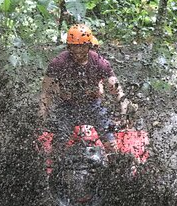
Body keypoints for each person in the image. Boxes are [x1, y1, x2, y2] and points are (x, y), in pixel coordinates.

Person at [39, 24, 132, 154]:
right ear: (68, 47)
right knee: (58, 145)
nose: (78, 51)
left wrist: (124, 113)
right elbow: (46, 91)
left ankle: (114, 168)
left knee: (111, 144)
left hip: (93, 105)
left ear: (89, 45)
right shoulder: (59, 62)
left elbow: (117, 90)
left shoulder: (99, 62)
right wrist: (42, 116)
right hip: (66, 107)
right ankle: (54, 170)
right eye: (74, 47)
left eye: (82, 46)